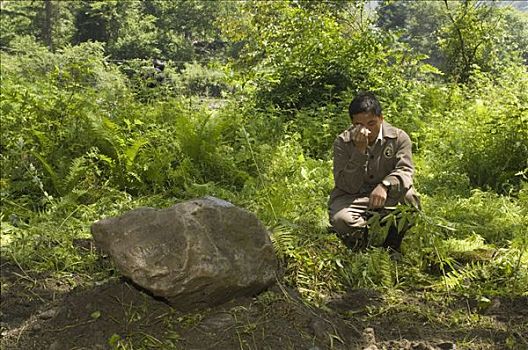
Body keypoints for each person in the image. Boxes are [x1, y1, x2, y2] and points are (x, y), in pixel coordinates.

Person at [328, 91, 420, 252]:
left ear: (381, 119)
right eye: (359, 125)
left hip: (387, 196)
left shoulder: (399, 138)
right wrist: (359, 151)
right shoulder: (343, 142)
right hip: (353, 197)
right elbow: (347, 185)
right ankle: (362, 245)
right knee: (340, 219)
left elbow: (405, 171)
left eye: (371, 124)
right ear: (352, 123)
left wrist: (385, 185)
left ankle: (392, 245)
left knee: (410, 199)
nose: (366, 131)